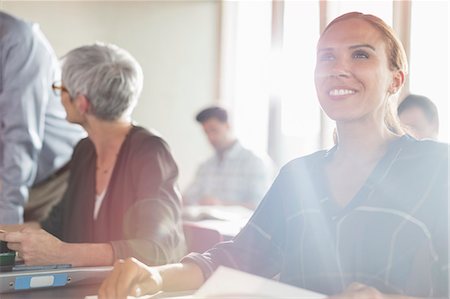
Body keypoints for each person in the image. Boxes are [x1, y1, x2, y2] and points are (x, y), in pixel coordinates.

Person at [98, 12, 448, 299]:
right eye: (327, 56)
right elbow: (239, 257)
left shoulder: (437, 167)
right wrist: (157, 277)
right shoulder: (299, 176)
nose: (338, 68)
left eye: (360, 54)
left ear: (395, 80)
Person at [0, 43, 186, 267]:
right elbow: (54, 227)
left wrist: (64, 254)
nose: (59, 97)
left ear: (81, 102)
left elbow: (159, 249)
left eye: (61, 90)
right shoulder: (84, 151)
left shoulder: (150, 151)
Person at [0, 11, 84, 224]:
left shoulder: (17, 41)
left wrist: (7, 221)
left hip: (56, 182)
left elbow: (20, 137)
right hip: (14, 182)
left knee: (29, 254)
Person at [184, 106, 274, 209]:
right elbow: (188, 197)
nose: (210, 137)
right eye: (206, 132)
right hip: (205, 223)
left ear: (227, 126)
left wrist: (221, 205)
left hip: (240, 224)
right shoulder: (205, 165)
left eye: (214, 130)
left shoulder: (254, 161)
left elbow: (260, 205)